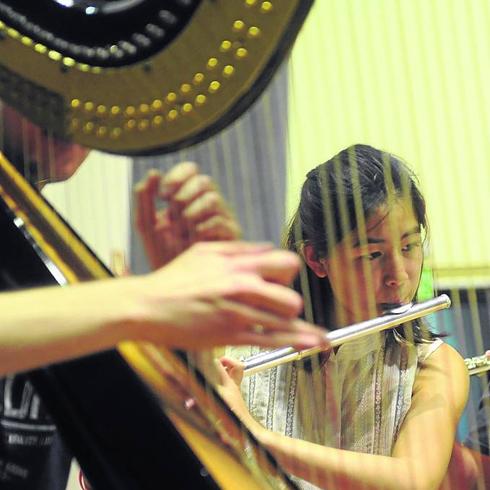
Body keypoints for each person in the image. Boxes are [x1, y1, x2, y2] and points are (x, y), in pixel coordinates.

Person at [0, 104, 327, 489]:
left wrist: (190, 349)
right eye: (44, 82)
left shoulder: (39, 241)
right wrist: (149, 299)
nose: (77, 111)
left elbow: (140, 442)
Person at [220, 144, 469, 490]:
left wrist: (258, 437)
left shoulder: (435, 367)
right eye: (372, 254)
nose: (398, 275)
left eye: (409, 247)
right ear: (317, 259)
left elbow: (412, 480)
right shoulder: (241, 352)